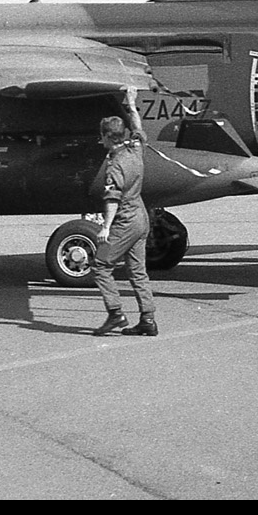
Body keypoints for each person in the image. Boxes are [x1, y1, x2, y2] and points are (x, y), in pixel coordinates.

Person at [91, 89, 158, 337]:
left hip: (125, 222)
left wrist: (106, 227)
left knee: (100, 266)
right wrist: (131, 103)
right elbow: (138, 127)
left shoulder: (115, 165)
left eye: (102, 136)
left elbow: (112, 198)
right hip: (141, 220)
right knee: (138, 271)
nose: (101, 140)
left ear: (108, 137)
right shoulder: (135, 149)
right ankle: (147, 319)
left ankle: (115, 314)